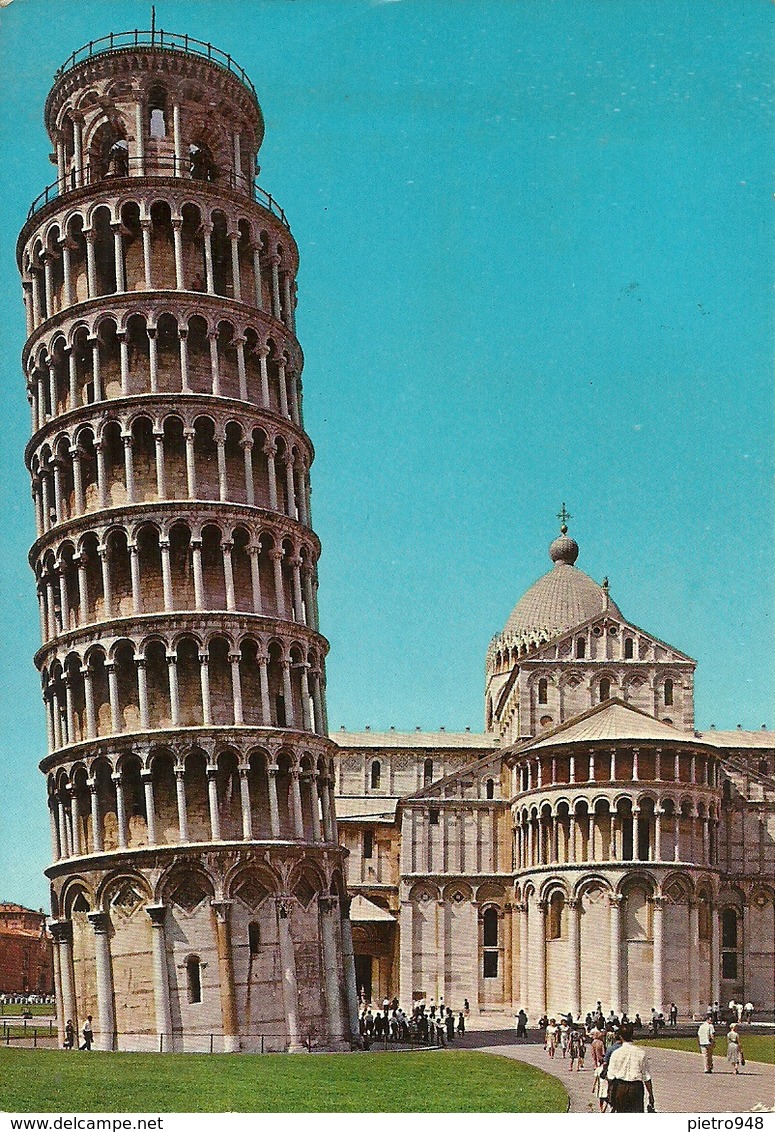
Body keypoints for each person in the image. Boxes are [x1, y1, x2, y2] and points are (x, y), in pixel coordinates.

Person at [606, 1023, 656, 1113]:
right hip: (636, 1088)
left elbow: (610, 1076)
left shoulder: (616, 1053)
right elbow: (646, 1077)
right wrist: (651, 1094)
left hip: (620, 1087)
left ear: (620, 1036)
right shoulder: (641, 1053)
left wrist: (610, 1094)